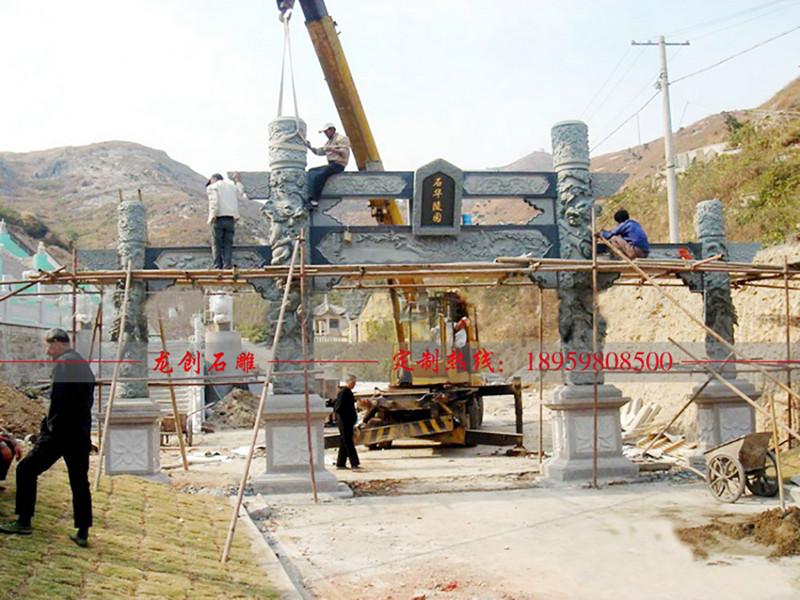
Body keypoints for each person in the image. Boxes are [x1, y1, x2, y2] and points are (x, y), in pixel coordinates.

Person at [0, 329, 95, 547]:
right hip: (80, 432)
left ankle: (24, 521)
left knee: (26, 470)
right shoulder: (83, 364)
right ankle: (83, 531)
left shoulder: (63, 364)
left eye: (48, 347)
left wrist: (47, 429)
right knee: (80, 482)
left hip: (59, 433)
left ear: (57, 343)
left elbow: (58, 401)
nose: (47, 353)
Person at [305, 123, 351, 209]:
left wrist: (332, 148)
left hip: (339, 164)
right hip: (331, 164)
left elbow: (345, 153)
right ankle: (310, 196)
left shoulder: (341, 138)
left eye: (326, 131)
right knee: (311, 171)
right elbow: (320, 152)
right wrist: (310, 147)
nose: (325, 134)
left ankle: (315, 201)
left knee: (319, 176)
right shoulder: (329, 142)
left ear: (332, 130)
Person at [206, 172, 247, 269]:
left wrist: (213, 214)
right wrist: (237, 181)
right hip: (231, 218)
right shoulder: (231, 186)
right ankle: (227, 265)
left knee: (216, 243)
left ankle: (218, 266)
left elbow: (214, 201)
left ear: (213, 179)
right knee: (228, 243)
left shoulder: (212, 187)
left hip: (218, 218)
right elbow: (240, 192)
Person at [334, 374, 360, 470]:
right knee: (348, 442)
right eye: (353, 383)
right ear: (348, 382)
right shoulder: (343, 393)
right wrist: (348, 416)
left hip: (348, 422)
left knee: (344, 442)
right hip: (344, 422)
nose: (354, 385)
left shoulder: (349, 392)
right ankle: (354, 463)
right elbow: (338, 408)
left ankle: (340, 463)